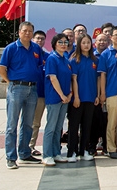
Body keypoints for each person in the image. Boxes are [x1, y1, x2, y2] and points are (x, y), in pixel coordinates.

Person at [0, 21, 43, 169]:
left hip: (32, 89)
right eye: (25, 31)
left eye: (30, 31)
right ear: (19, 32)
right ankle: (11, 157)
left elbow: (40, 65)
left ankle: (24, 153)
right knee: (12, 124)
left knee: (28, 123)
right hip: (16, 88)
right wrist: (11, 82)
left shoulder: (36, 48)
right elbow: (1, 70)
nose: (28, 33)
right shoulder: (11, 48)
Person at [98, 26, 117, 159]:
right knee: (112, 123)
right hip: (112, 92)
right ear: (110, 37)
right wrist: (103, 93)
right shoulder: (106, 54)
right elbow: (102, 75)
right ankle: (111, 148)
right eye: (116, 35)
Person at [67, 34, 99, 162]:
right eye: (83, 43)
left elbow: (98, 79)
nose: (86, 45)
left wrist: (97, 95)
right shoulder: (74, 60)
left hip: (90, 98)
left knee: (87, 126)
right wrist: (76, 97)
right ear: (79, 44)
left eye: (88, 42)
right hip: (77, 98)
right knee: (74, 126)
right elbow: (73, 79)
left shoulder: (95, 60)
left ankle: (84, 150)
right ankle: (72, 152)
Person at [42, 33, 73, 166]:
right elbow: (53, 78)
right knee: (51, 127)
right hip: (55, 98)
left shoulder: (65, 59)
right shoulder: (52, 58)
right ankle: (47, 154)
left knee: (58, 127)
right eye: (60, 42)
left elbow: (70, 78)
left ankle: (56, 153)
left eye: (65, 42)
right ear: (54, 44)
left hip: (65, 99)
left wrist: (69, 95)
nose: (63, 44)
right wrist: (61, 95)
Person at [29, 30, 50, 156]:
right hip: (36, 94)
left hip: (49, 94)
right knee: (35, 122)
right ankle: (30, 146)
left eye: (42, 39)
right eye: (37, 38)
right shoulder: (30, 55)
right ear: (33, 39)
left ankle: (52, 146)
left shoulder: (48, 57)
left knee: (53, 123)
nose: (40, 41)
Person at [89, 33, 109, 156]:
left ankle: (106, 146)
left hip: (109, 92)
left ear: (108, 42)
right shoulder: (91, 56)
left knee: (106, 121)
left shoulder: (110, 55)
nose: (102, 42)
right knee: (94, 121)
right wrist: (98, 94)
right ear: (95, 43)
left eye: (104, 40)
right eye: (99, 40)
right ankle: (92, 146)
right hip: (94, 94)